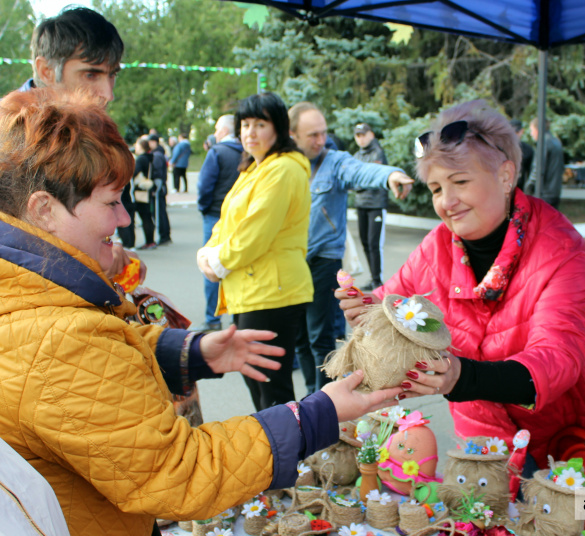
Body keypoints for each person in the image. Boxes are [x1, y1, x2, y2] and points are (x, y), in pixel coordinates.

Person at [0, 87, 400, 536]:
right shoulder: (55, 338)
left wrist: (187, 351)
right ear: (44, 210)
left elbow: (92, 363)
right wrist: (316, 415)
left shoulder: (28, 291)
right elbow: (179, 472)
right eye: (110, 203)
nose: (124, 220)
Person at [336, 100, 585, 471]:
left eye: (460, 182)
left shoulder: (560, 250)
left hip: (569, 438)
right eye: (435, 188)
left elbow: (559, 358)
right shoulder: (437, 246)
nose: (446, 202)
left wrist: (462, 376)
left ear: (505, 174)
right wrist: (364, 308)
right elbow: (393, 303)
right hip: (485, 438)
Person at [288, 102, 414, 395]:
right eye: (312, 135)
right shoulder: (284, 166)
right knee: (300, 340)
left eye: (324, 133)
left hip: (323, 260)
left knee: (322, 339)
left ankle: (325, 405)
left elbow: (361, 171)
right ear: (292, 134)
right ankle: (310, 399)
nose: (321, 141)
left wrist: (390, 175)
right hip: (291, 264)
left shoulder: (334, 161)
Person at [197, 93, 313, 411]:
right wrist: (207, 253)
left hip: (273, 292)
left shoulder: (283, 169)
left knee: (271, 387)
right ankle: (275, 455)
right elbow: (226, 223)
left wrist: (218, 262)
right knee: (257, 381)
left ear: (279, 129)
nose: (250, 132)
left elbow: (255, 232)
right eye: (245, 124)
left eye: (260, 124)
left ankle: (287, 458)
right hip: (252, 289)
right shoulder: (253, 168)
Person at [22, 6, 145, 283]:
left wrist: (104, 252)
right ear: (46, 70)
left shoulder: (86, 128)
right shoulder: (9, 139)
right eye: (91, 75)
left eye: (112, 74)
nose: (107, 94)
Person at [195, 114, 243, 332]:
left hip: (215, 215)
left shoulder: (216, 152)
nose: (215, 133)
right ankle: (237, 318)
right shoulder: (247, 152)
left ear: (224, 130)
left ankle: (213, 319)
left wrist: (204, 208)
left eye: (217, 128)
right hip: (241, 218)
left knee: (211, 265)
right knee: (236, 266)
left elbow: (204, 186)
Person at [352, 122, 389, 290]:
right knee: (365, 243)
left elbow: (373, 179)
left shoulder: (378, 152)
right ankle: (373, 277)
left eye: (363, 135)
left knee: (375, 244)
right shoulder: (356, 156)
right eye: (357, 135)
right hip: (361, 204)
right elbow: (353, 180)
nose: (360, 139)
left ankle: (377, 280)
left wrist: (360, 182)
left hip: (376, 205)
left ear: (371, 134)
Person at [525, 116, 564, 209]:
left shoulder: (544, 143)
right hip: (554, 191)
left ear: (537, 130)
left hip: (544, 192)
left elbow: (538, 168)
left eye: (532, 130)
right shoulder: (556, 141)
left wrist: (529, 187)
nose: (531, 134)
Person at [130, 137, 158, 250]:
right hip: (147, 189)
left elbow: (134, 172)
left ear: (141, 147)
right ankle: (150, 241)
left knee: (145, 216)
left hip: (141, 190)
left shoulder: (141, 159)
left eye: (137, 145)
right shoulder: (149, 157)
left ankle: (149, 241)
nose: (135, 147)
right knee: (147, 216)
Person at [148, 133, 171, 245]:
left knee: (159, 212)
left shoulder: (156, 155)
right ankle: (165, 235)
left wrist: (154, 187)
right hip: (161, 187)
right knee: (161, 211)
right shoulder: (159, 153)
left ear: (154, 142)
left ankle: (164, 235)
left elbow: (157, 173)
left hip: (158, 188)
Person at [510, 118, 534, 192]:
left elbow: (531, 171)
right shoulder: (502, 148)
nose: (514, 135)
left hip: (520, 189)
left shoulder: (528, 150)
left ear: (521, 132)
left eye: (516, 132)